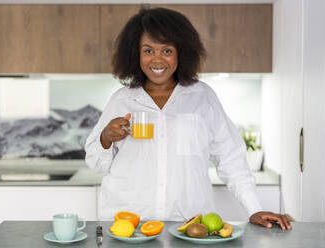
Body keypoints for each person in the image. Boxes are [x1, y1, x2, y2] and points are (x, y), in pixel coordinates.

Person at [85, 7, 291, 230]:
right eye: (148, 50)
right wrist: (106, 137)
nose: (157, 60)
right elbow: (96, 163)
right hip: (128, 226)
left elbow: (231, 158)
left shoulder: (202, 97)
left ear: (181, 52)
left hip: (188, 227)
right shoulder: (121, 101)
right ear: (135, 53)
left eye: (167, 51)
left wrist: (254, 209)